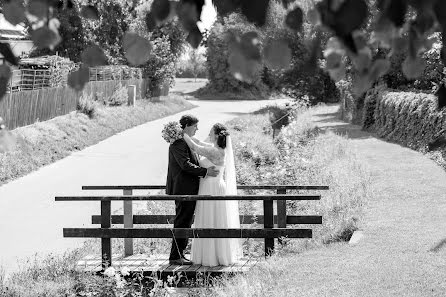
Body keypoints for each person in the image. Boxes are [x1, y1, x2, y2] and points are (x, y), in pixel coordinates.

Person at [183, 123, 242, 266]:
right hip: (209, 186)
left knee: (212, 219)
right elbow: (198, 142)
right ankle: (211, 255)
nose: (208, 134)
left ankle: (213, 257)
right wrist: (188, 134)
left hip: (212, 188)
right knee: (210, 218)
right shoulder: (215, 148)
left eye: (210, 132)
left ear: (216, 135)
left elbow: (195, 147)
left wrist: (182, 134)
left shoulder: (215, 152)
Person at [166, 115, 219, 265]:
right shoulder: (178, 143)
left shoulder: (186, 141)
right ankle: (175, 256)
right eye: (195, 126)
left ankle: (179, 254)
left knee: (186, 221)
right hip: (183, 189)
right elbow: (185, 165)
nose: (197, 129)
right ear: (187, 125)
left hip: (188, 188)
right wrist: (205, 172)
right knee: (182, 221)